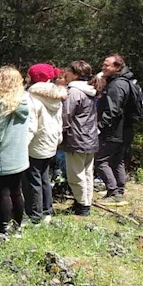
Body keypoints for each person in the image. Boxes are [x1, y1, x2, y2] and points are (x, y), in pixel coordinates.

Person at [0, 66, 30, 235]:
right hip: (19, 155)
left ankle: (2, 229)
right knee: (16, 192)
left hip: (2, 155)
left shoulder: (1, 105)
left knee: (3, 193)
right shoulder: (24, 101)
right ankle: (17, 227)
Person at [23, 63, 67, 224]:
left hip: (35, 143)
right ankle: (47, 211)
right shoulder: (56, 97)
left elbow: (31, 125)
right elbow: (59, 120)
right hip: (50, 142)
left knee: (32, 179)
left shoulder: (32, 97)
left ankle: (34, 215)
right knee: (44, 177)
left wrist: (22, 145)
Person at [96, 53, 136, 205]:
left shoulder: (117, 85)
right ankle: (119, 190)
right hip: (124, 130)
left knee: (100, 160)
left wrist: (100, 126)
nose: (103, 67)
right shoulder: (124, 82)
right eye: (103, 64)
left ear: (117, 67)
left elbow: (113, 110)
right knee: (116, 161)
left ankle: (114, 191)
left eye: (107, 65)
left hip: (114, 131)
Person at [61, 60, 99, 216]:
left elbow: (66, 115)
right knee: (87, 172)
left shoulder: (74, 92)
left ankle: (82, 206)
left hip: (77, 138)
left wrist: (60, 133)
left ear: (75, 74)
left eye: (68, 71)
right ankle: (85, 201)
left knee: (76, 174)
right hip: (90, 137)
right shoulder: (90, 90)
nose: (65, 74)